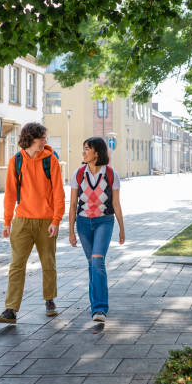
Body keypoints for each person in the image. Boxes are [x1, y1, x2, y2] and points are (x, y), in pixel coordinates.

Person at [0, 122, 65, 324]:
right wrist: (7, 221)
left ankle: (49, 300)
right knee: (16, 265)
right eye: (41, 138)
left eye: (44, 138)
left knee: (48, 263)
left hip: (46, 221)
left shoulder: (50, 160)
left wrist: (56, 220)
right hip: (22, 221)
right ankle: (11, 309)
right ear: (30, 139)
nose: (44, 141)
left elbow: (59, 192)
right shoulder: (15, 161)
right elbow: (9, 193)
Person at [69, 137, 125, 323]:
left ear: (97, 153)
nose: (83, 152)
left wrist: (121, 229)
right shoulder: (78, 174)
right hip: (83, 223)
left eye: (87, 149)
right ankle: (95, 306)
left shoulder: (111, 174)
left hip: (104, 222)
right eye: (83, 149)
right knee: (92, 265)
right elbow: (72, 205)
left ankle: (100, 308)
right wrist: (70, 230)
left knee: (97, 261)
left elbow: (116, 203)